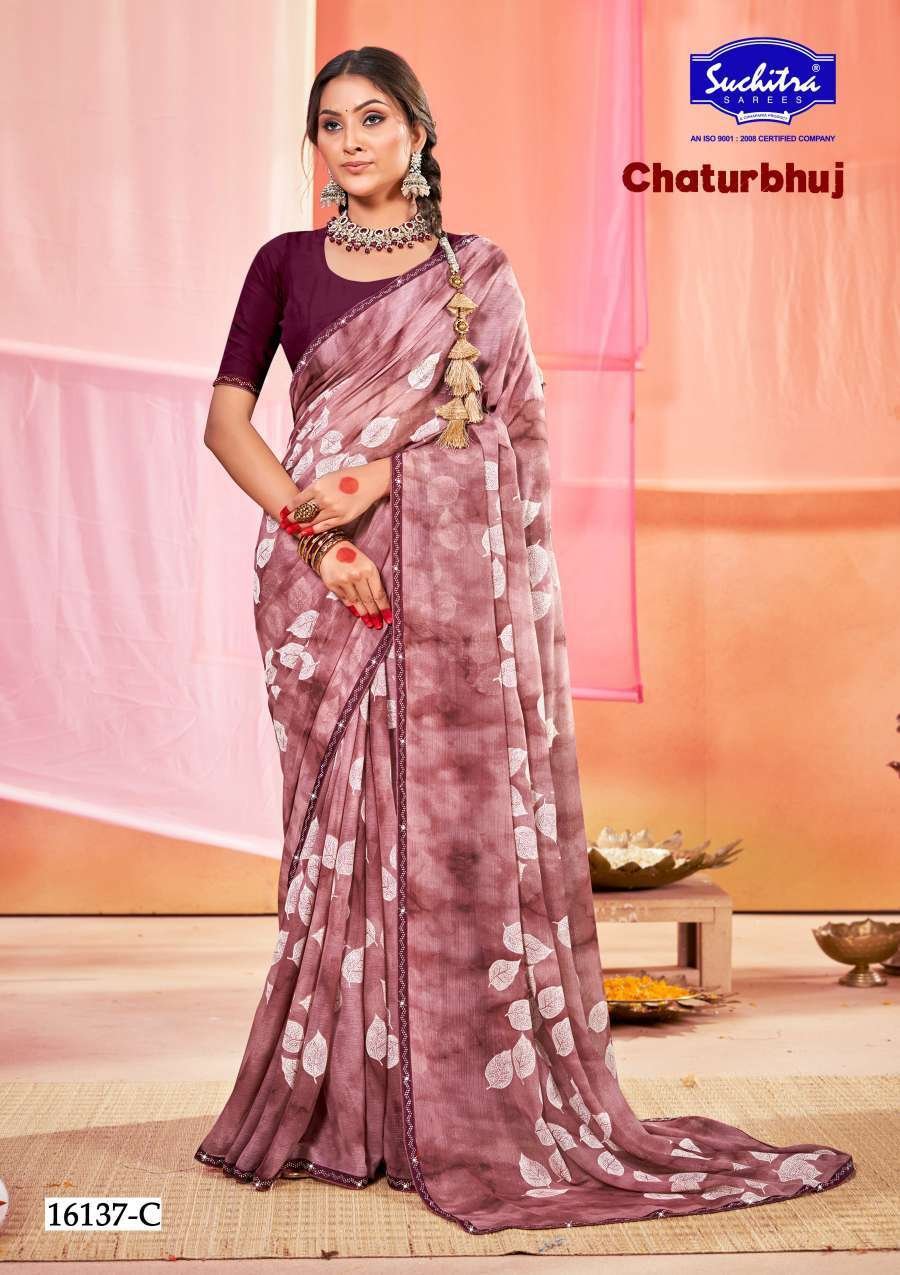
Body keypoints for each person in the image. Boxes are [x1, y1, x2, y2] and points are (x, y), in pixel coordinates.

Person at [193, 46, 855, 1235]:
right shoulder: (283, 262)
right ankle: (343, 1108)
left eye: (374, 119)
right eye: (331, 123)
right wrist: (318, 533)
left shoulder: (475, 274)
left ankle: (437, 1109)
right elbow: (226, 421)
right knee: (334, 841)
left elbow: (521, 447)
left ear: (417, 134)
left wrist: (385, 475)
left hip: (433, 576)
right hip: (314, 579)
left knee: (441, 845)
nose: (351, 141)